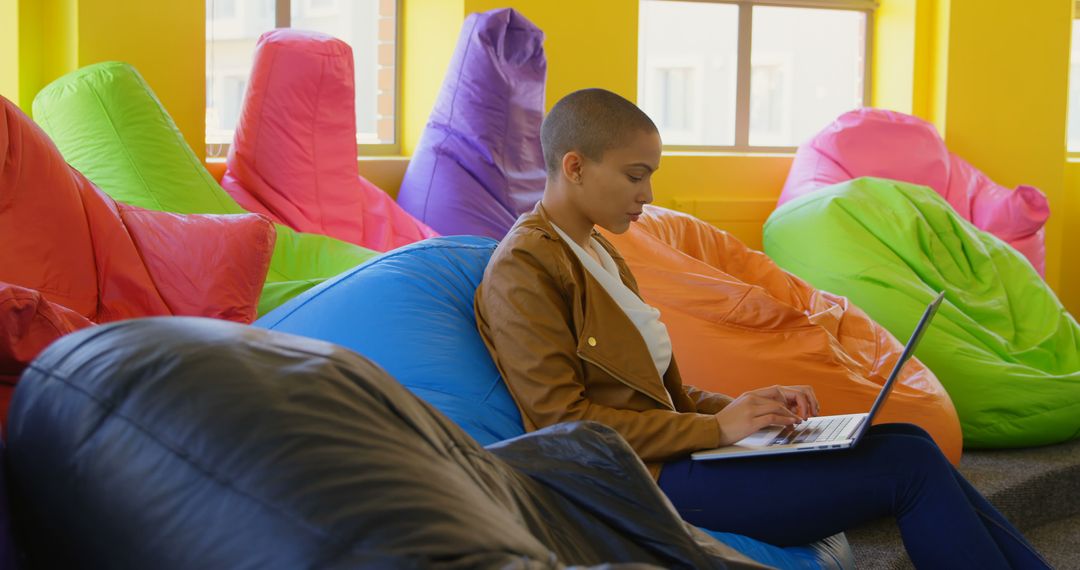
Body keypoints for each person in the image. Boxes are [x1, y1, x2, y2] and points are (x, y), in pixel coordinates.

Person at [474, 88, 1049, 569]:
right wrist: (719, 430)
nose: (647, 195)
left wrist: (748, 409)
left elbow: (660, 394)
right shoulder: (525, 269)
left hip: (682, 459)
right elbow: (563, 424)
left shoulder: (597, 250)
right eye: (634, 176)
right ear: (574, 166)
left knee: (910, 439)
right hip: (643, 483)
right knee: (909, 468)